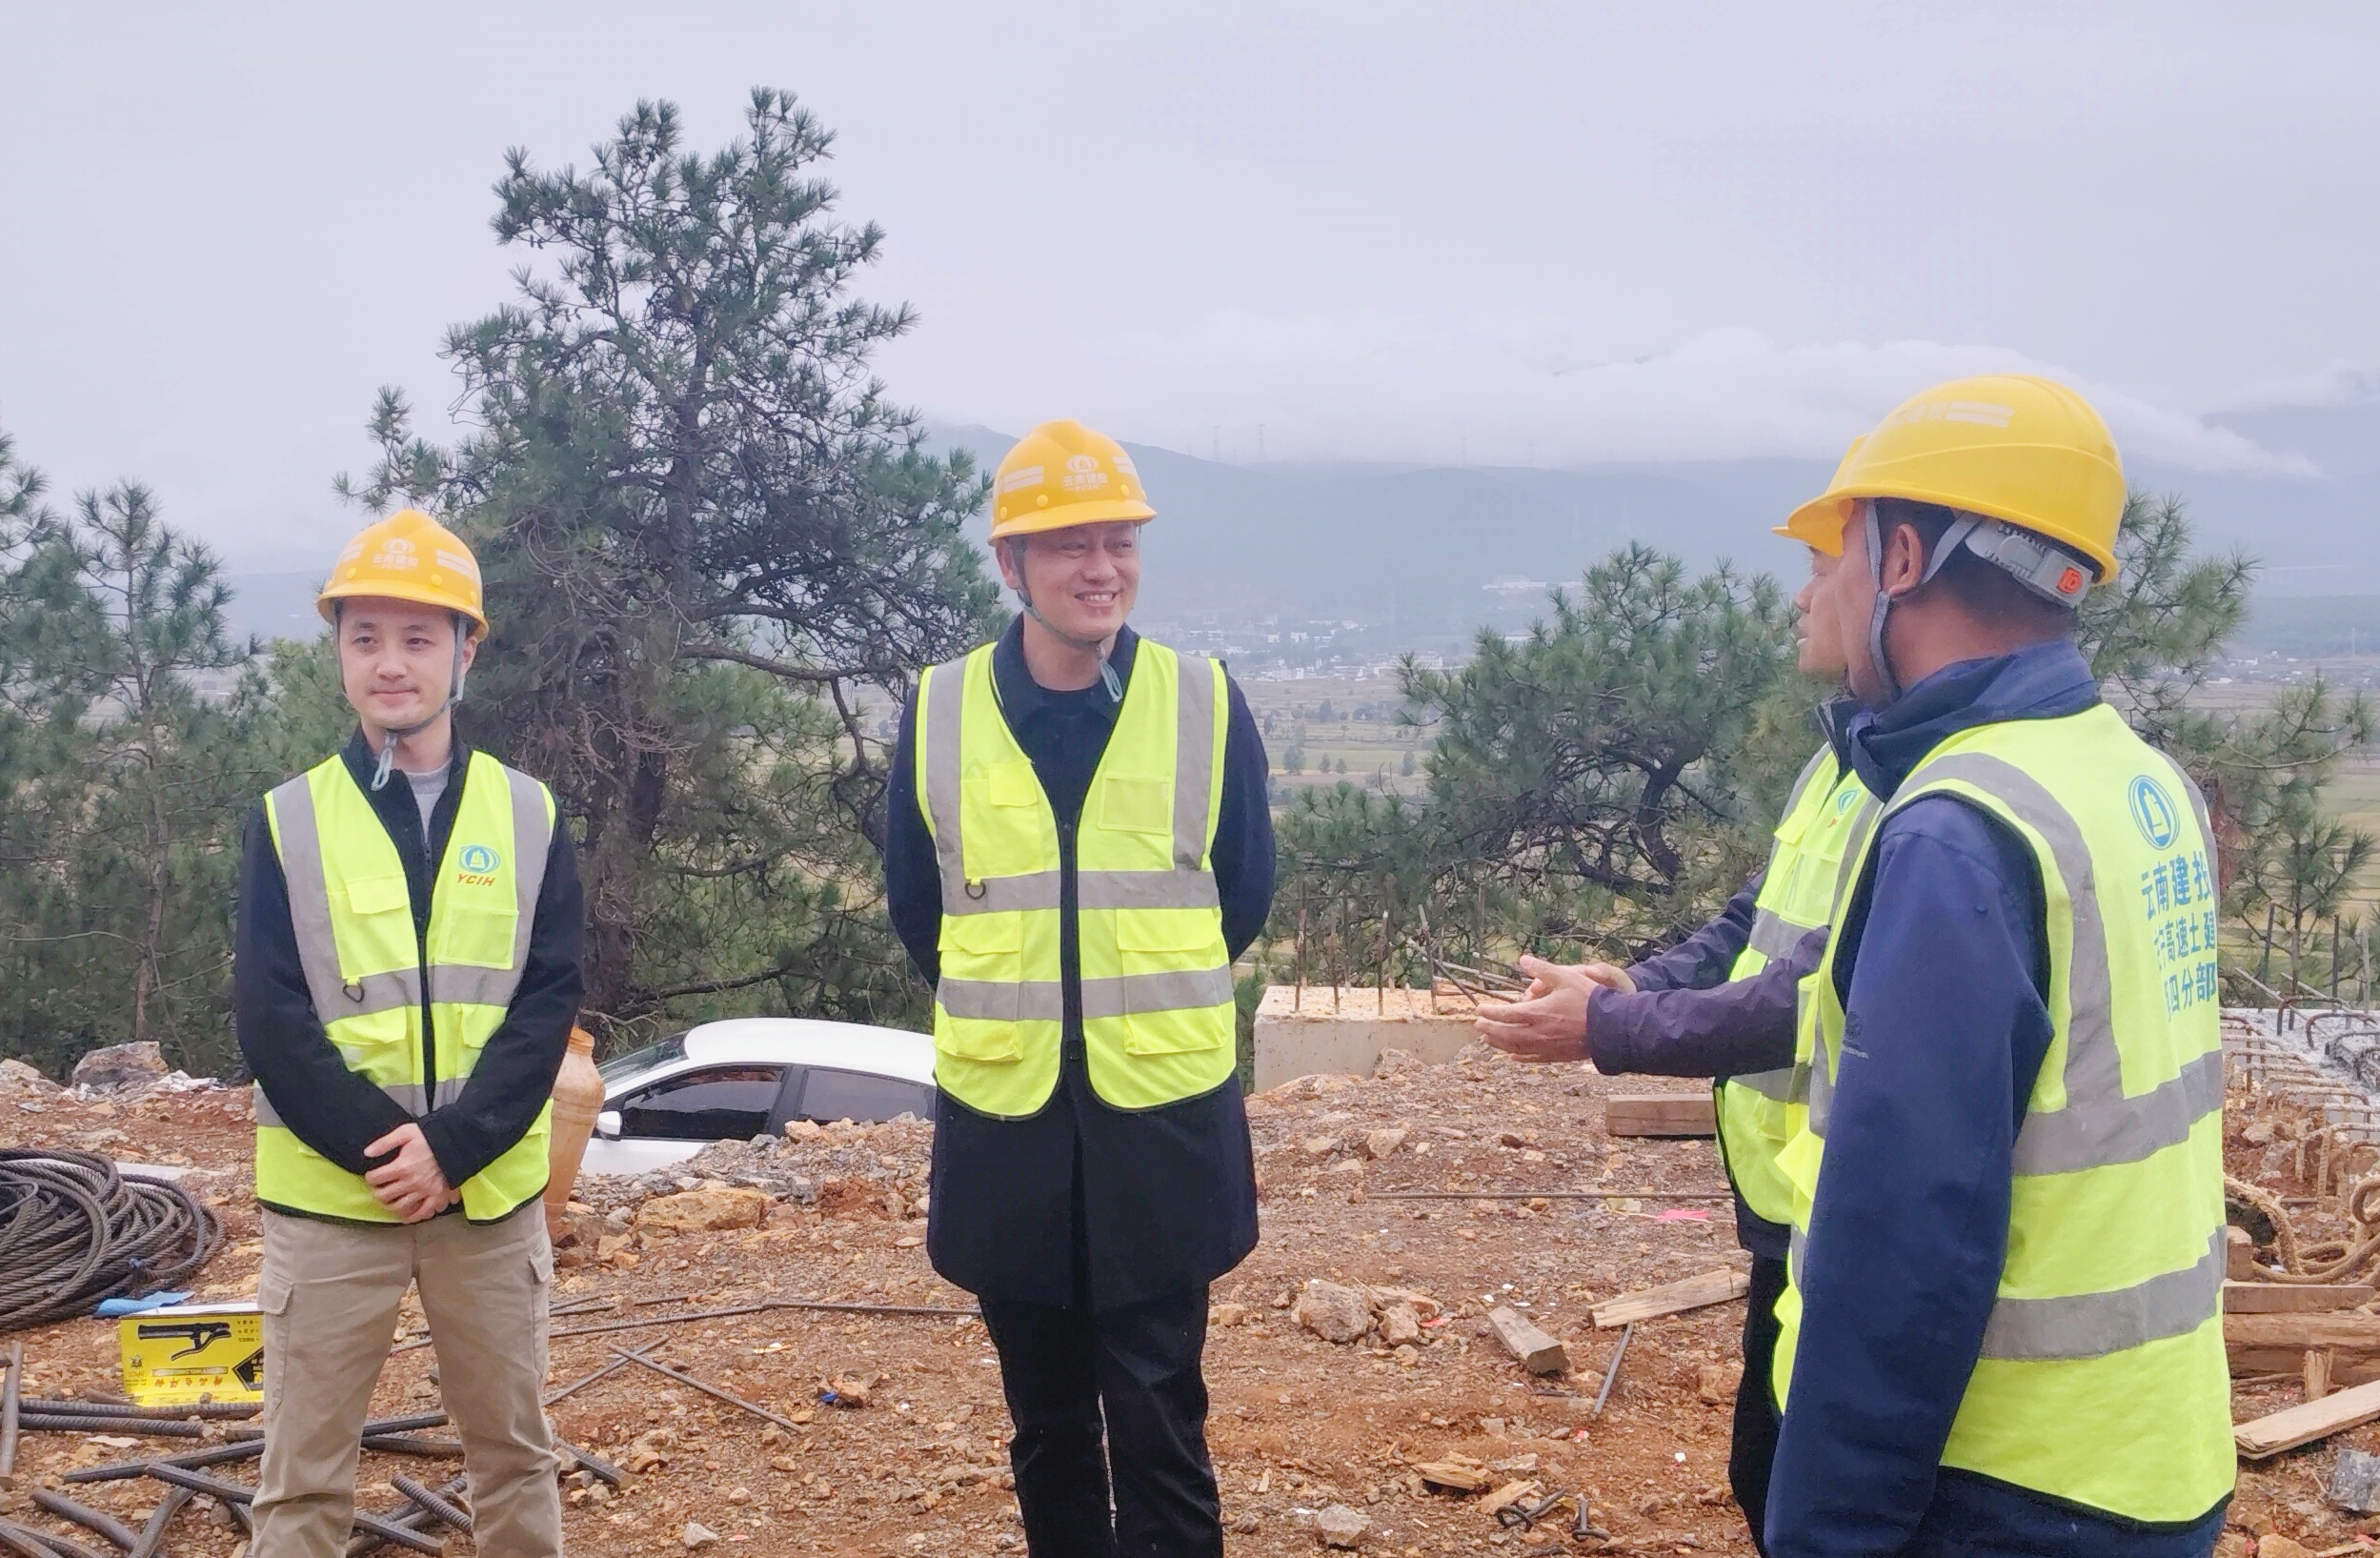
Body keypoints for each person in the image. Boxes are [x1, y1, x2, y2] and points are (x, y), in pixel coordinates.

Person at [1762, 375, 2231, 1556]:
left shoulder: (1958, 826)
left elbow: (1903, 1237)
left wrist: (1826, 1530)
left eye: (1842, 550)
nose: (1822, 585)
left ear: (1900, 558)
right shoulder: (2137, 779)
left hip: (1999, 1484)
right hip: (2153, 1453)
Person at [882, 420, 1276, 1558]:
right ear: (1010, 563)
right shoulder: (940, 709)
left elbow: (1240, 895)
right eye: (1069, 546)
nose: (1101, 569)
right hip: (1008, 1131)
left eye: (1119, 543)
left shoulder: (1202, 702)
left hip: (1158, 1126)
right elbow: (921, 909)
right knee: (1047, 1430)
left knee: (1160, 1426)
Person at [1472, 491, 1879, 1554]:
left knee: (1805, 1492)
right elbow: (1752, 922)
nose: (1801, 598)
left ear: (1896, 579)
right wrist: (1630, 981)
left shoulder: (1920, 792)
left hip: (1848, 1202)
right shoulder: (1842, 762)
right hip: (1788, 1202)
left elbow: (1807, 998)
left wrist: (1608, 1028)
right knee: (1764, 1473)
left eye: (1821, 570)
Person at [234, 510, 583, 1558]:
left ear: (466, 650)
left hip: (487, 1200)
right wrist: (391, 1153)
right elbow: (270, 1014)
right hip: (333, 1203)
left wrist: (455, 1147)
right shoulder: (287, 819)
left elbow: (546, 999)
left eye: (418, 637)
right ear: (339, 652)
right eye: (366, 638)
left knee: (513, 1459)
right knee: (302, 1479)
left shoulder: (529, 816)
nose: (391, 663)